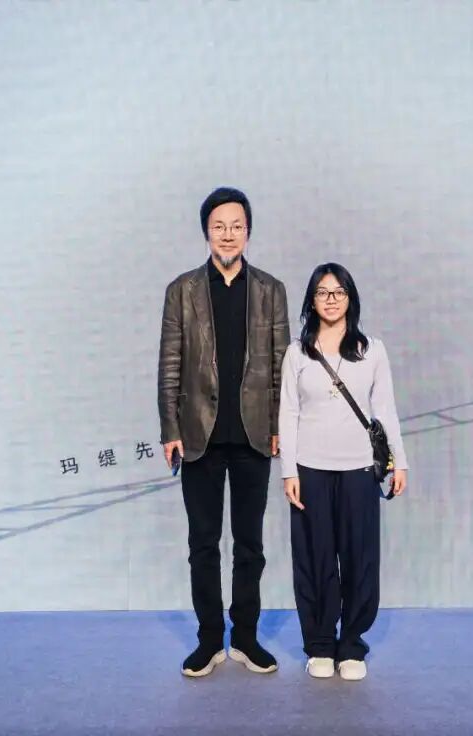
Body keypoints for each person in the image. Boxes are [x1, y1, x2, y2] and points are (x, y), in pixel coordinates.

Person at [158, 187, 290, 677]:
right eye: (219, 226)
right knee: (203, 545)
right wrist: (170, 428)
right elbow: (169, 365)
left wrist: (280, 425)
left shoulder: (271, 290)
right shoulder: (182, 290)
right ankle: (210, 640)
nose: (228, 234)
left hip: (255, 435)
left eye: (237, 226)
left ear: (248, 232)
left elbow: (282, 366)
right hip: (199, 436)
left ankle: (247, 639)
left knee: (250, 545)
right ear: (206, 233)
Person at [278, 262, 409, 681]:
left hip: (359, 471)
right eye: (322, 292)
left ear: (350, 299)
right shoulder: (298, 353)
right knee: (314, 559)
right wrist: (289, 471)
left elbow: (384, 409)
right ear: (311, 301)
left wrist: (399, 461)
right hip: (310, 470)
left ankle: (351, 644)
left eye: (339, 292)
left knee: (359, 558)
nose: (331, 299)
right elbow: (288, 413)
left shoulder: (372, 350)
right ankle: (319, 645)